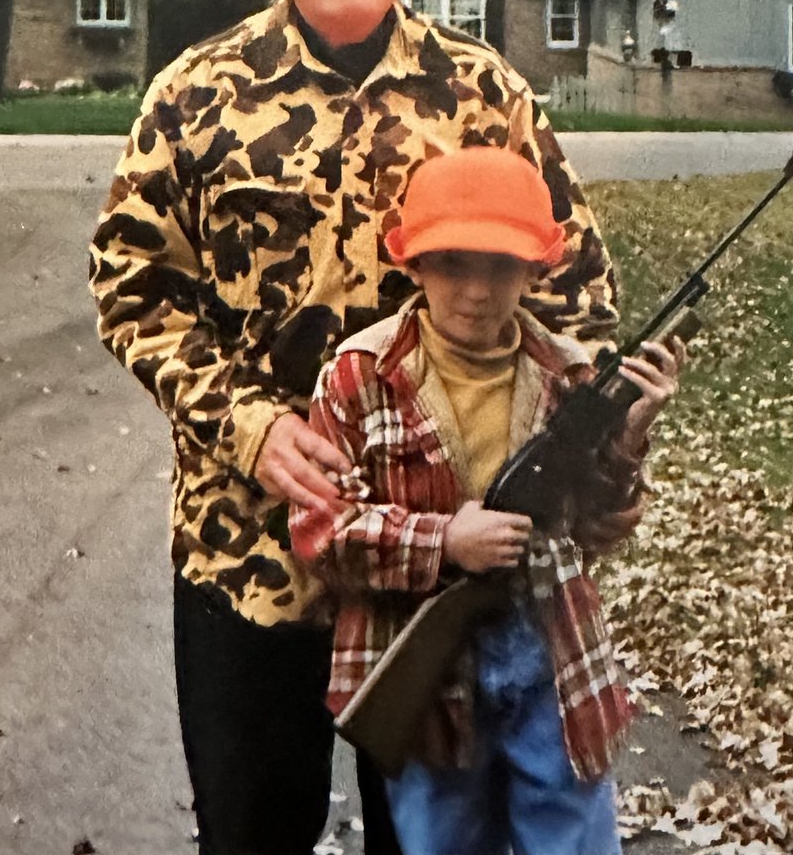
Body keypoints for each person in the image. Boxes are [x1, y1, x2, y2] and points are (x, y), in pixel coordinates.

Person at [87, 0, 624, 855]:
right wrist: (249, 428)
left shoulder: (486, 99)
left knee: (432, 844)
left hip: (440, 577)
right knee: (252, 832)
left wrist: (577, 454)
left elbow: (578, 296)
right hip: (248, 561)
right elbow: (133, 290)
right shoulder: (193, 98)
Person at [290, 147, 685, 855]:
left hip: (550, 653)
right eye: (452, 264)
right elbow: (321, 530)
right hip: (426, 661)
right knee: (442, 839)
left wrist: (628, 439)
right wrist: (444, 542)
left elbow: (597, 529)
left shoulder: (569, 376)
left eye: (502, 266)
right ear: (412, 264)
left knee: (570, 838)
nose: (477, 289)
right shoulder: (359, 376)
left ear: (538, 269)